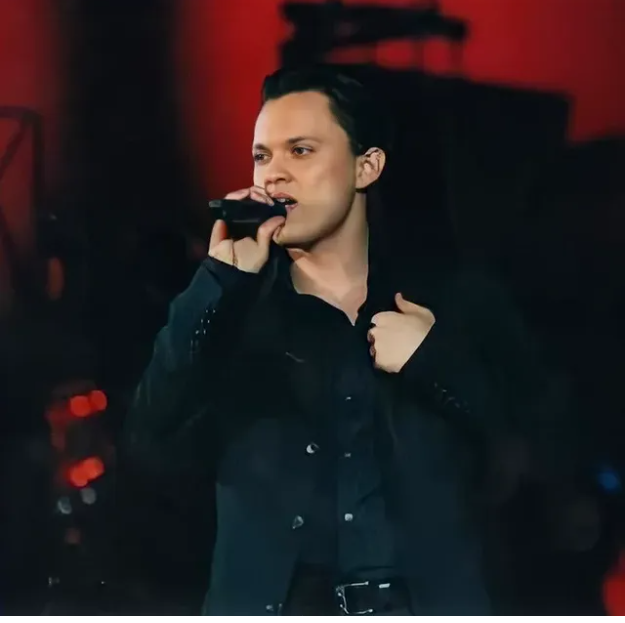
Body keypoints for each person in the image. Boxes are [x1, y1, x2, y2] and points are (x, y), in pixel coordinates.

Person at [123, 65, 571, 615]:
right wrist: (217, 284)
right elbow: (149, 439)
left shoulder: (455, 304)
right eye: (262, 156)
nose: (274, 175)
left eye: (301, 151)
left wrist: (434, 362)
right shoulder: (232, 313)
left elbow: (539, 449)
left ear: (367, 166)